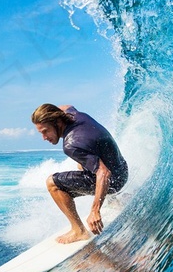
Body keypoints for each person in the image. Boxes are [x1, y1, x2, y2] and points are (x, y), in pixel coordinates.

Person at [31, 104, 128, 244]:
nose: (44, 137)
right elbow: (67, 106)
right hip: (122, 170)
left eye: (45, 131)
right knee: (83, 162)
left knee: (52, 183)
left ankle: (79, 231)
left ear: (57, 122)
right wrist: (47, 113)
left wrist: (95, 210)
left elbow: (103, 172)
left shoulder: (71, 145)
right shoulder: (73, 114)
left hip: (114, 181)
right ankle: (114, 200)